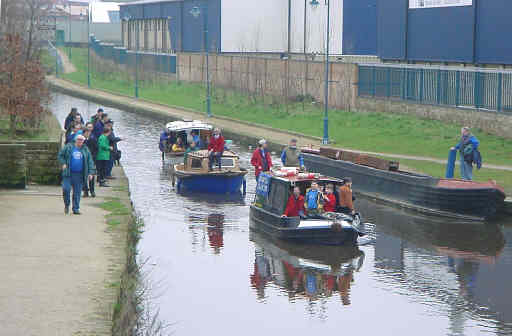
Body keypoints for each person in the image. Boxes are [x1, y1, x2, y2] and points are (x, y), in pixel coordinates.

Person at [57, 135, 95, 215]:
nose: (80, 141)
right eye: (78, 140)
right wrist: (63, 163)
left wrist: (91, 173)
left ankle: (76, 208)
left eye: (81, 140)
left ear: (83, 141)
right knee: (66, 189)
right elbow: (60, 155)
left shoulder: (85, 149)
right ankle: (67, 205)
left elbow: (90, 161)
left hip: (80, 174)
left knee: (77, 192)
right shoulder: (68, 147)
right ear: (75, 140)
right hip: (68, 173)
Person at [82, 129, 97, 198]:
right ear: (84, 133)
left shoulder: (93, 140)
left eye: (89, 133)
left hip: (91, 160)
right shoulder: (81, 141)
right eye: (87, 133)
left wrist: (93, 157)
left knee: (92, 176)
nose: (88, 134)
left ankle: (92, 191)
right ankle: (85, 191)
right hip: (83, 161)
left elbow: (96, 149)